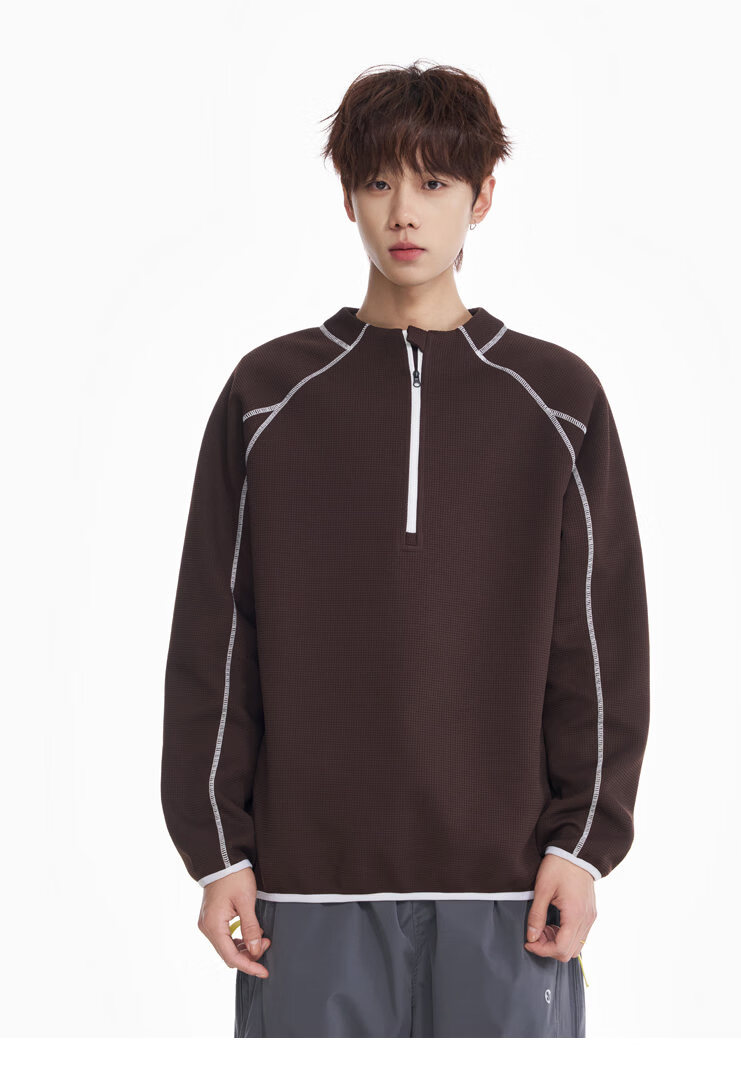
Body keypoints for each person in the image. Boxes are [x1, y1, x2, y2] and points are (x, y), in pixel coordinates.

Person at [161, 60, 650, 1038]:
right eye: (379, 180)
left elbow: (595, 641)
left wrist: (583, 845)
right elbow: (217, 634)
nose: (404, 212)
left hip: (508, 891)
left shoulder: (557, 401)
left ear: (483, 196)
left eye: (433, 181)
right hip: (307, 891)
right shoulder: (267, 397)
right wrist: (217, 852)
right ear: (347, 195)